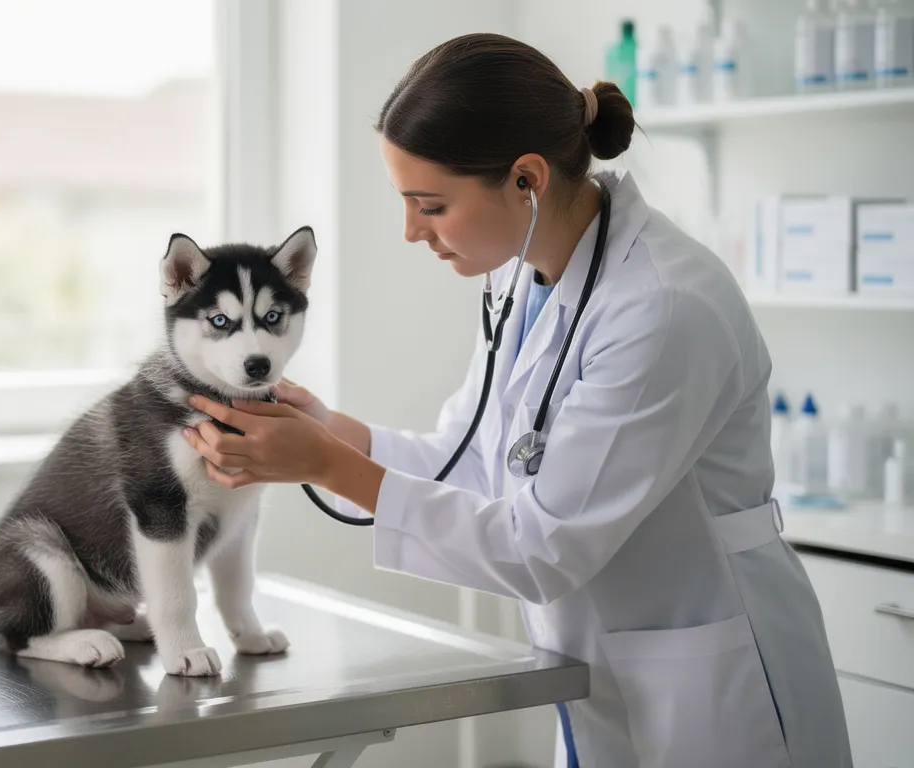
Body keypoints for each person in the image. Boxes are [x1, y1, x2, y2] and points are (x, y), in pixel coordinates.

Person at [181, 32, 852, 768]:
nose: (411, 232)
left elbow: (543, 545)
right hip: (603, 667)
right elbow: (471, 463)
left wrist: (328, 466)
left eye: (430, 205)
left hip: (716, 681)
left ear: (526, 180)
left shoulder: (663, 306)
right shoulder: (521, 278)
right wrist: (328, 434)